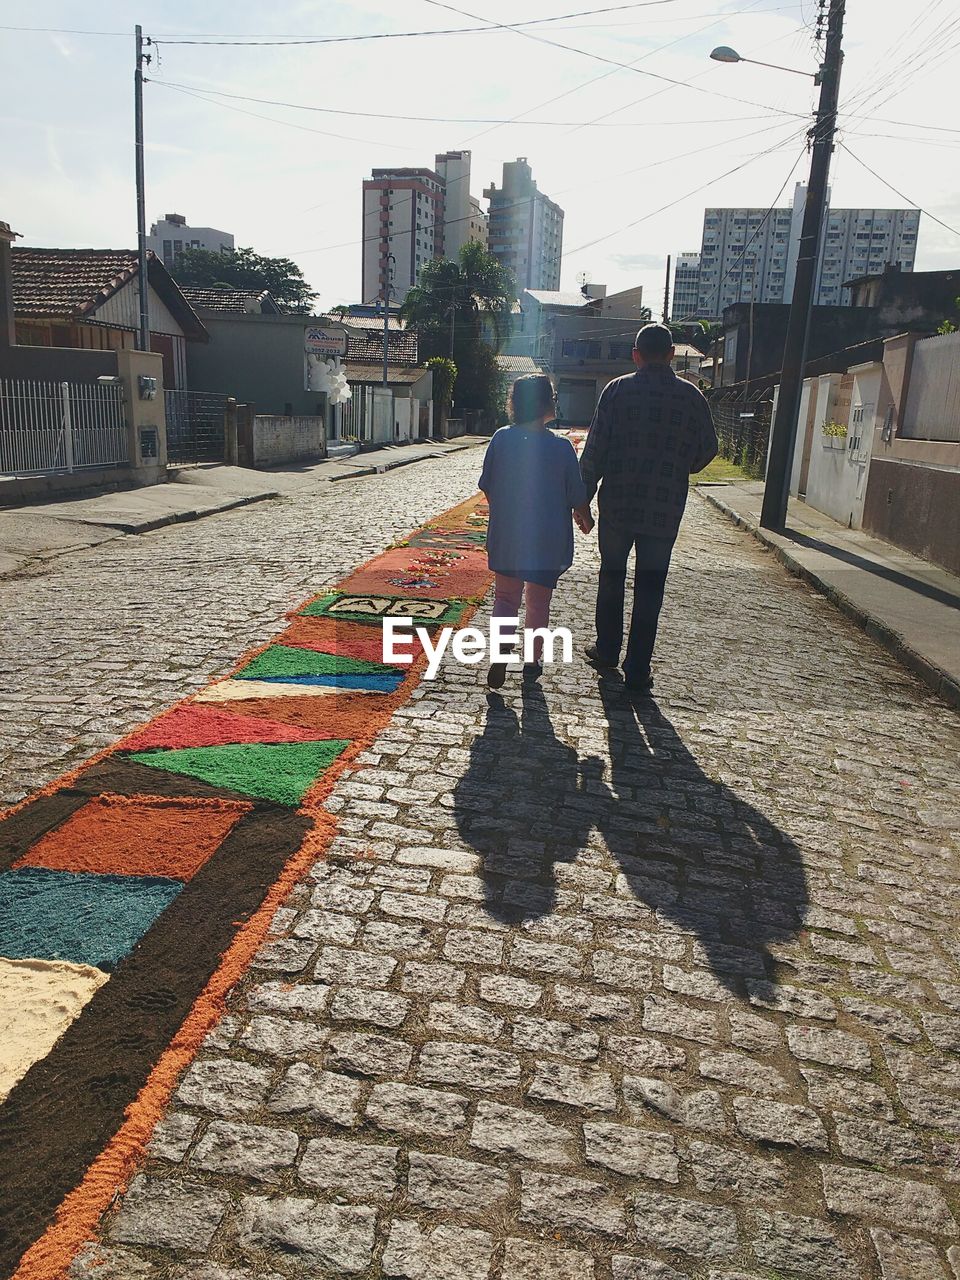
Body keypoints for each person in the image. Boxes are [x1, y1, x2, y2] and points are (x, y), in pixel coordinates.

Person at [579, 322, 718, 693]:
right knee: (650, 587)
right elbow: (709, 449)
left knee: (611, 577)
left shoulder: (616, 392)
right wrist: (681, 466)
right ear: (672, 354)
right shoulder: (692, 397)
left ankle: (607, 650)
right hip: (664, 508)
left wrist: (582, 499)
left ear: (635, 355)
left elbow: (595, 451)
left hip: (619, 506)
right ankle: (638, 669)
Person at [479, 374, 593, 689]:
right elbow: (576, 494)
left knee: (505, 598)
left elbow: (487, 485)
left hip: (509, 534)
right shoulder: (562, 447)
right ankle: (532, 662)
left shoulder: (501, 438)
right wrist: (586, 518)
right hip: (547, 539)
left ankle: (500, 653)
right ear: (546, 404)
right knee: (538, 602)